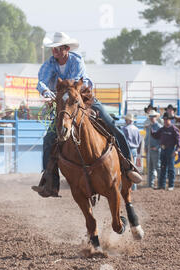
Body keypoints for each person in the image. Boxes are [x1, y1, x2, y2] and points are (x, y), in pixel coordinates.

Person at [31, 31, 142, 197]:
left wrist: (61, 92)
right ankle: (50, 181)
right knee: (49, 138)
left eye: (58, 48)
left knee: (111, 124)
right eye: (53, 48)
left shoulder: (76, 60)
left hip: (85, 99)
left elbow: (75, 82)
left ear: (66, 49)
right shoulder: (49, 64)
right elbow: (41, 80)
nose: (54, 51)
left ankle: (128, 166)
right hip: (65, 105)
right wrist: (46, 91)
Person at [151, 112, 180, 191]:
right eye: (164, 119)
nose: (165, 121)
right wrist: (151, 129)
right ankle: (162, 185)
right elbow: (155, 135)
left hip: (171, 150)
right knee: (163, 168)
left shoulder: (174, 129)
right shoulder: (162, 129)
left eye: (166, 119)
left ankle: (171, 185)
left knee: (171, 168)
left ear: (169, 120)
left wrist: (177, 150)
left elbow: (178, 141)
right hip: (163, 150)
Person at [122, 113, 142, 190]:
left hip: (127, 149)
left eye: (126, 120)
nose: (125, 121)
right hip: (134, 149)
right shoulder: (136, 129)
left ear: (128, 120)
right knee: (134, 167)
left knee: (127, 168)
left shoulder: (125, 129)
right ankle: (134, 186)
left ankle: (129, 186)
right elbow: (139, 140)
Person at [144, 110, 162, 188]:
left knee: (157, 167)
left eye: (153, 117)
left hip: (155, 150)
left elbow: (161, 139)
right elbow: (146, 138)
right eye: (150, 117)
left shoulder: (159, 127)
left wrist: (157, 147)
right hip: (149, 149)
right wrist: (145, 146)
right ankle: (150, 184)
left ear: (156, 117)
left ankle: (161, 183)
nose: (152, 118)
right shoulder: (148, 127)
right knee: (150, 167)